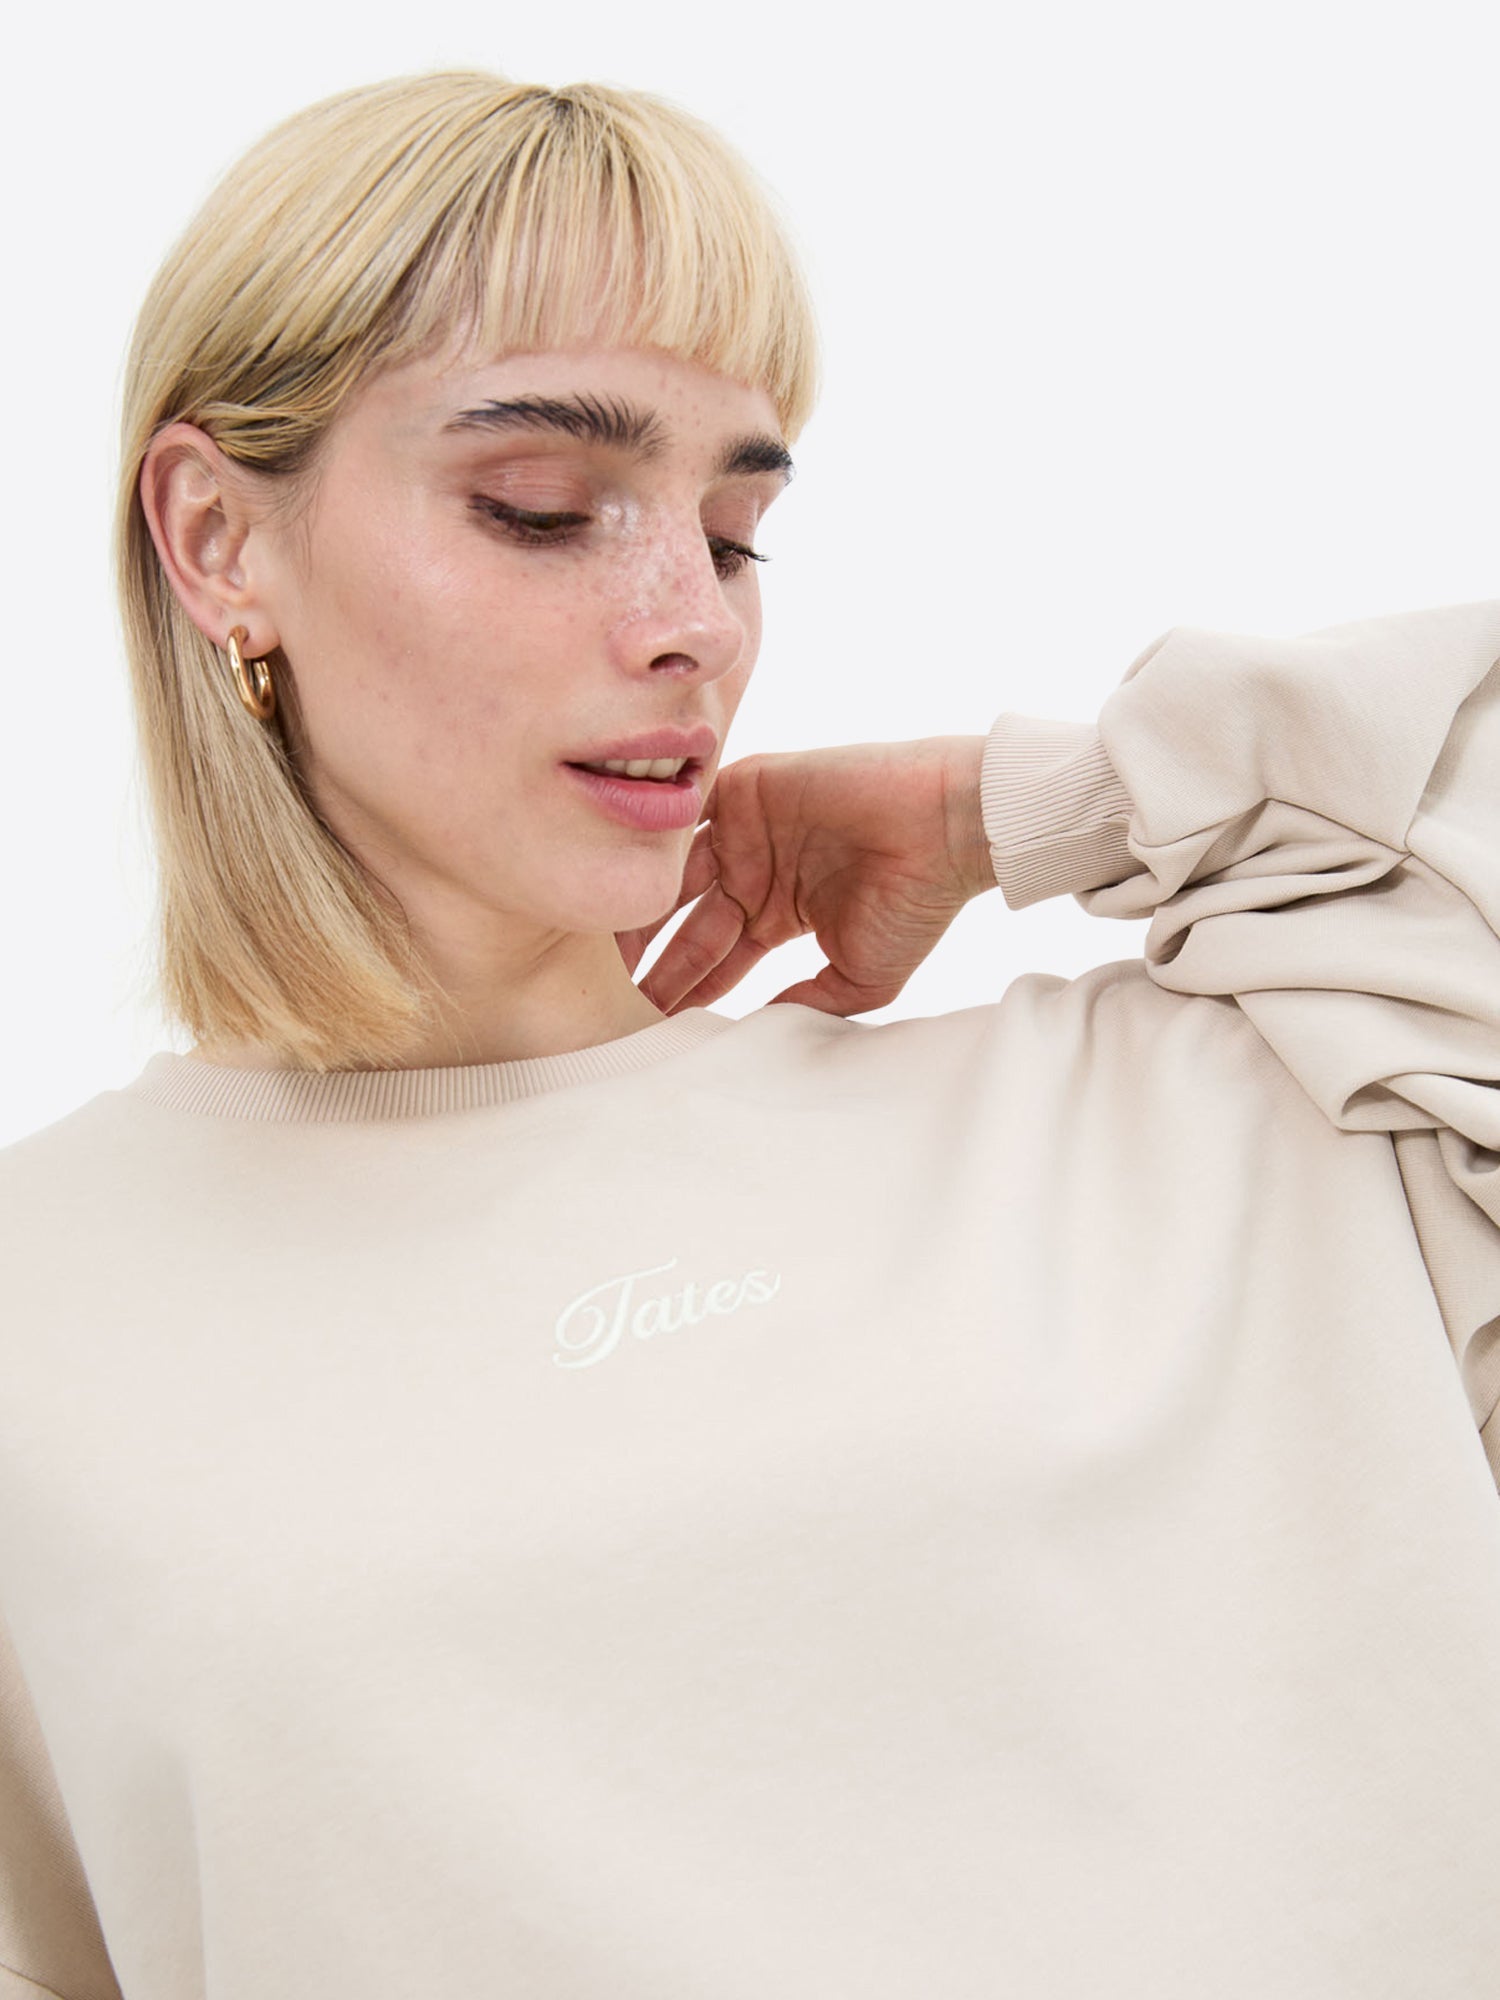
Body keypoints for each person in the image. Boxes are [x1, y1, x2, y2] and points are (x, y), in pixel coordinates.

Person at [0, 66, 1496, 2000]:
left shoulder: (1187, 1118)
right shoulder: (40, 1317)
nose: (689, 619)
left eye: (733, 531)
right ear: (217, 537)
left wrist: (1025, 806)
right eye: (543, 510)